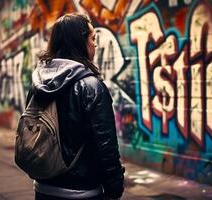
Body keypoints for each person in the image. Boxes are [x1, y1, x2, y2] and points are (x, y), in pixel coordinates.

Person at [27, 13, 125, 200]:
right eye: (92, 38)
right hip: (82, 191)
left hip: (43, 188)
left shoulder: (38, 81)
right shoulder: (91, 86)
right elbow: (106, 144)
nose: (95, 44)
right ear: (79, 42)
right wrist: (115, 186)